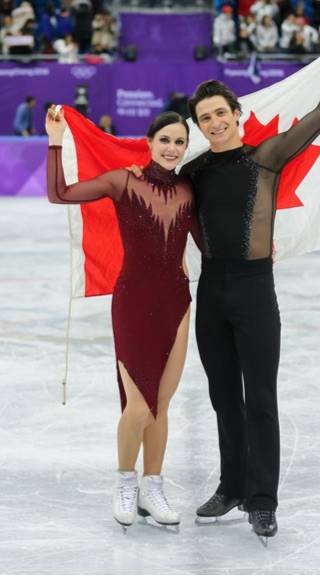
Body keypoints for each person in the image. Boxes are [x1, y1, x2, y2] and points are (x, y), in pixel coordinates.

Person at [179, 24, 320, 539]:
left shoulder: (265, 159)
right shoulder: (193, 172)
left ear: (236, 115)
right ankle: (232, 485)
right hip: (211, 290)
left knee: (260, 396)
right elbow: (146, 174)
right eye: (206, 118)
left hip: (253, 290)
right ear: (199, 126)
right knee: (224, 396)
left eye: (221, 113)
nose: (215, 122)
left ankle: (263, 498)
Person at [45, 108, 201, 530]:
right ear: (149, 143)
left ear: (187, 148)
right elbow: (60, 194)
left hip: (177, 301)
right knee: (137, 407)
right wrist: (56, 140)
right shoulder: (123, 180)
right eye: (165, 140)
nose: (172, 148)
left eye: (180, 142)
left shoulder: (190, 190)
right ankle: (126, 481)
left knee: (161, 405)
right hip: (133, 300)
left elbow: (211, 242)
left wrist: (259, 245)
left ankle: (153, 486)